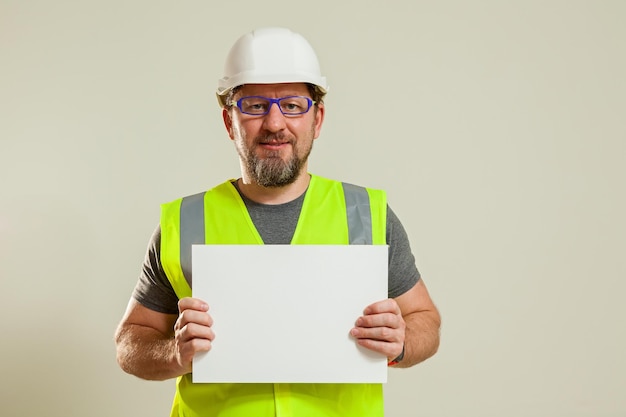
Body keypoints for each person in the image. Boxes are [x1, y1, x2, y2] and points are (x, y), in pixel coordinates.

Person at [114, 27, 441, 417]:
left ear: (317, 119)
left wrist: (402, 340)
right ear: (228, 121)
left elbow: (426, 321)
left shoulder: (366, 213)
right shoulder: (184, 221)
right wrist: (174, 352)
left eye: (292, 105)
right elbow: (130, 342)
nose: (273, 123)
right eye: (253, 105)